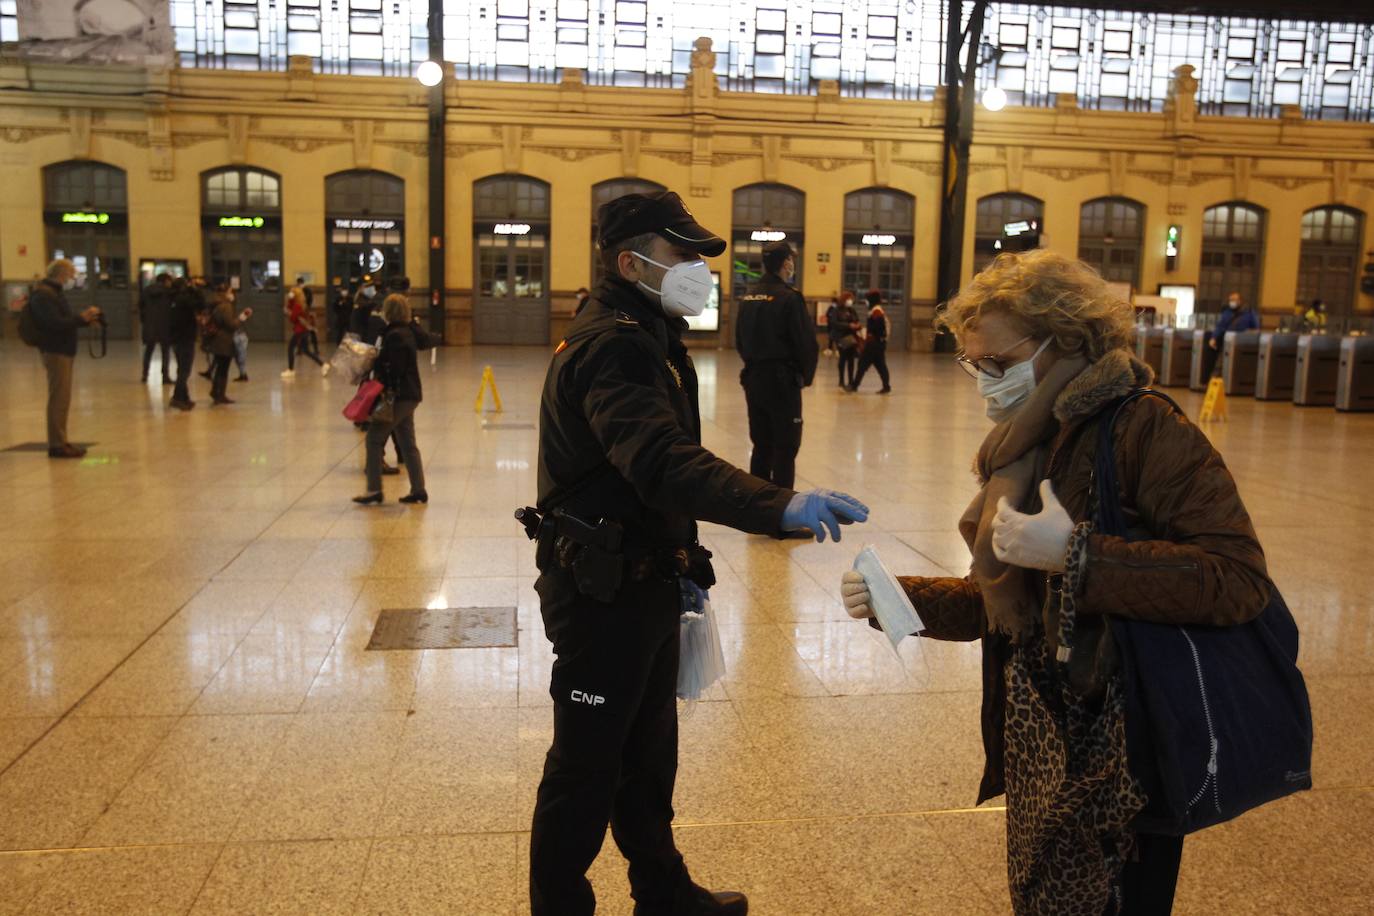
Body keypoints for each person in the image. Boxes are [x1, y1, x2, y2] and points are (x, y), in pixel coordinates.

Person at [840, 249, 1271, 916]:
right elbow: (1015, 607)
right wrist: (901, 600)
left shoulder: (1144, 427)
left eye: (1000, 365)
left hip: (1126, 745)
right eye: (973, 365)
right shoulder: (1028, 439)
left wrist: (1079, 556)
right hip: (1046, 734)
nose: (986, 381)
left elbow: (1236, 579)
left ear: (1066, 341)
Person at [527, 190, 869, 916]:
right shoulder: (613, 343)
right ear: (631, 262)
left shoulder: (645, 329)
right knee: (585, 769)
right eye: (684, 255)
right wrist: (777, 504)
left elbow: (650, 476)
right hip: (600, 596)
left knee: (646, 757)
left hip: (640, 579)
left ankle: (662, 891)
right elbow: (660, 460)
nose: (701, 270)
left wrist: (681, 560)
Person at [734, 239, 818, 490]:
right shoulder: (789, 298)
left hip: (754, 378)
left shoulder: (748, 296)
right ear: (786, 263)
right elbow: (806, 343)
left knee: (761, 444)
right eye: (790, 259)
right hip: (782, 381)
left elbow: (739, 338)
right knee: (785, 447)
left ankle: (759, 509)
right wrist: (805, 376)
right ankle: (783, 514)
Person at [354, 294, 431, 506]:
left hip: (398, 396)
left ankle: (374, 489)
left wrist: (376, 364)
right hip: (410, 395)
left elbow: (395, 369)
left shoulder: (394, 335)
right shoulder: (406, 331)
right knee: (408, 444)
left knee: (374, 438)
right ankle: (418, 489)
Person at [26, 259, 101, 458]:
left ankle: (61, 440)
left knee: (63, 397)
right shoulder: (44, 295)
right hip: (55, 350)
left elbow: (63, 320)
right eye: (71, 275)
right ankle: (57, 444)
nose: (72, 279)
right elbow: (53, 323)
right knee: (58, 398)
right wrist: (81, 318)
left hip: (63, 349)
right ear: (61, 274)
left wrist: (84, 321)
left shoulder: (54, 293)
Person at [167, 276, 207, 410]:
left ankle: (184, 397)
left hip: (175, 338)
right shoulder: (183, 300)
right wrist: (195, 289)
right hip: (185, 338)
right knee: (185, 370)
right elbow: (201, 304)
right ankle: (177, 398)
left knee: (181, 369)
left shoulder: (172, 299)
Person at [206, 287, 250, 405]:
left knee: (220, 367)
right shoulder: (226, 306)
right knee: (223, 369)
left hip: (217, 340)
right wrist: (242, 317)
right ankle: (220, 394)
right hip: (224, 340)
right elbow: (231, 325)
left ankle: (216, 392)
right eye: (231, 292)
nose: (233, 295)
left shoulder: (216, 304)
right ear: (225, 293)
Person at [1203, 290, 1259, 378]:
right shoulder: (1227, 312)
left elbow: (1256, 328)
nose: (1232, 302)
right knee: (1220, 363)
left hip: (1243, 343)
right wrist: (1213, 338)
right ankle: (1214, 383)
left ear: (1240, 301)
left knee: (1238, 365)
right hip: (1227, 341)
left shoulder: (1249, 313)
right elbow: (1220, 326)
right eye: (1230, 300)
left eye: (1234, 300)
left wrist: (1248, 334)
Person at [848, 289, 892, 393]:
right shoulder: (877, 310)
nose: (866, 302)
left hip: (874, 344)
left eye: (867, 299)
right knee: (881, 366)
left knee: (862, 364)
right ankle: (886, 386)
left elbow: (877, 327)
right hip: (879, 343)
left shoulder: (876, 311)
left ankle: (854, 386)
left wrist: (869, 332)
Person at [138, 271, 174, 384]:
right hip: (165, 324)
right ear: (166, 281)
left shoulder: (146, 290)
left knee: (148, 350)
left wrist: (145, 320)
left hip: (150, 324)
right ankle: (165, 376)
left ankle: (145, 374)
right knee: (165, 352)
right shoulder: (169, 292)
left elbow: (140, 306)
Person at [282, 284, 323, 378]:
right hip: (303, 330)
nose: (290, 293)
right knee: (306, 350)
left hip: (299, 330)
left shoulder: (298, 306)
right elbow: (289, 305)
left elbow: (293, 318)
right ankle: (323, 365)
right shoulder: (300, 303)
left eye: (292, 292)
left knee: (290, 348)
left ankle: (290, 370)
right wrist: (290, 300)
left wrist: (288, 313)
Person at [829, 290, 861, 389]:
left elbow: (856, 319)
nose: (851, 301)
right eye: (849, 299)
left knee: (851, 359)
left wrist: (856, 325)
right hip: (841, 337)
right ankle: (841, 380)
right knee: (843, 358)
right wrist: (848, 325)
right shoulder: (836, 310)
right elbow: (834, 323)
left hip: (851, 337)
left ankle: (851, 380)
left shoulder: (851, 310)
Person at [349, 274, 383, 340]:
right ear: (360, 288)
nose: (369, 289)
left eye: (370, 286)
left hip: (374, 336)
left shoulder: (378, 299)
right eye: (365, 286)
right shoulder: (357, 301)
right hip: (361, 336)